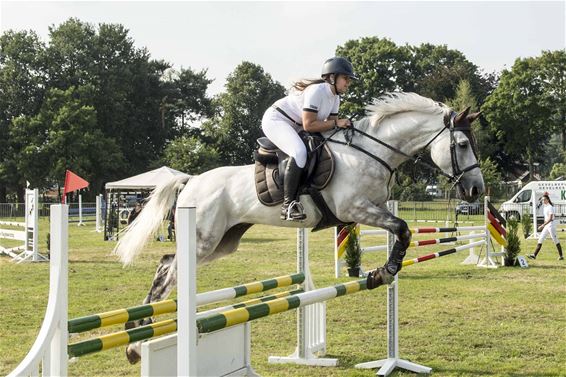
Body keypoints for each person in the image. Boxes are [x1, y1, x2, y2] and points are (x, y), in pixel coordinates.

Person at [261, 56, 356, 221]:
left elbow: (329, 126)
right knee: (299, 152)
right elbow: (309, 125)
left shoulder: (335, 98)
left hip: (295, 124)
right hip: (277, 120)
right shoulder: (317, 91)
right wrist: (337, 123)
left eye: (349, 79)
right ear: (332, 78)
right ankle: (288, 205)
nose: (348, 83)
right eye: (345, 78)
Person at [528, 193, 563, 260]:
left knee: (555, 240)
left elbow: (550, 218)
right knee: (540, 239)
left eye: (544, 200)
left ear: (547, 200)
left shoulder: (550, 207)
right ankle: (534, 255)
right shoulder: (545, 207)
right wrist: (544, 225)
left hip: (551, 226)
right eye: (542, 200)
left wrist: (543, 225)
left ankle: (561, 256)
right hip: (547, 226)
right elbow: (546, 218)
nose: (543, 201)